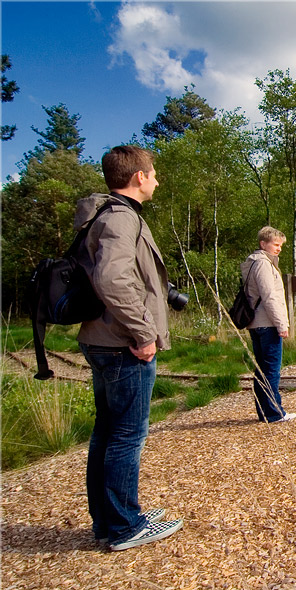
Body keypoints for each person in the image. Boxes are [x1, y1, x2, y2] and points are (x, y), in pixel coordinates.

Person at [76, 145, 183, 552]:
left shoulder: (104, 215)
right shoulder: (122, 218)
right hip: (124, 345)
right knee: (126, 436)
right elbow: (111, 279)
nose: (156, 179)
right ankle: (124, 527)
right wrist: (143, 332)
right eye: (153, 172)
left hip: (102, 339)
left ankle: (109, 520)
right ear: (139, 177)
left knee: (107, 433)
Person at [241, 226, 295, 423]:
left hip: (257, 323)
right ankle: (274, 412)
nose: (279, 248)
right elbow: (269, 296)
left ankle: (266, 412)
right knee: (271, 369)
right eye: (275, 244)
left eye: (280, 245)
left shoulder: (253, 263)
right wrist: (282, 324)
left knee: (262, 369)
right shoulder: (263, 264)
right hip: (267, 323)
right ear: (263, 244)